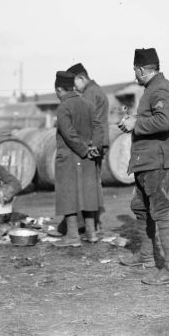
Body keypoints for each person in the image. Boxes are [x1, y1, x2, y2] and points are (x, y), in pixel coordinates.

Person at [118, 47, 169, 285]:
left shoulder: (161, 88)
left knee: (163, 212)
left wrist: (136, 123)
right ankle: (146, 256)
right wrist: (134, 121)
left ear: (143, 69)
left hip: (158, 163)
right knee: (141, 208)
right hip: (147, 162)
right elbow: (153, 119)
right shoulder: (152, 89)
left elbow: (164, 122)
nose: (134, 73)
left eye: (135, 69)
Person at [53, 71, 101, 246]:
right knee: (88, 194)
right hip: (88, 156)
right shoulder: (87, 103)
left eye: (57, 92)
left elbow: (68, 134)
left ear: (59, 89)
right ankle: (91, 233)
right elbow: (98, 127)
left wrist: (83, 150)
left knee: (68, 196)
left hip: (69, 157)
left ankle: (73, 236)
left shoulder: (63, 107)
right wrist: (92, 148)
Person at [67, 62, 109, 233]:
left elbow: (85, 121)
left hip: (92, 143)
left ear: (81, 78)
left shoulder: (89, 93)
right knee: (94, 182)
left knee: (88, 184)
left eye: (75, 83)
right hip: (99, 142)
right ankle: (95, 223)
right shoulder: (98, 90)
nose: (74, 88)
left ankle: (90, 225)